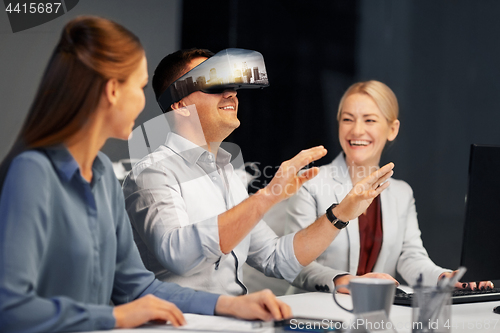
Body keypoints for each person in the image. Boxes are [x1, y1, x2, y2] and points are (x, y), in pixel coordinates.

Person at [0, 17, 299, 333]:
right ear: (113, 90)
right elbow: (10, 307)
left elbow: (139, 288)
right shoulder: (32, 172)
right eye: (140, 87)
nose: (146, 101)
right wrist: (115, 318)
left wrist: (229, 305)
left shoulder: (101, 175)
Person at [122, 49, 395, 296]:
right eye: (214, 84)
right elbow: (177, 254)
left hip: (232, 322)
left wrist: (342, 213)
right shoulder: (153, 173)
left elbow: (275, 258)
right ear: (179, 105)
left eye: (231, 85)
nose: (231, 93)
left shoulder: (227, 174)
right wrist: (268, 196)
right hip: (182, 324)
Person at [285, 80, 493, 293]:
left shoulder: (402, 193)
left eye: (369, 120)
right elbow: (294, 262)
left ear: (392, 129)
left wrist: (443, 277)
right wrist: (345, 281)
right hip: (313, 313)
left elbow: (410, 256)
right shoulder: (310, 182)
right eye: (347, 119)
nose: (357, 130)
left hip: (375, 312)